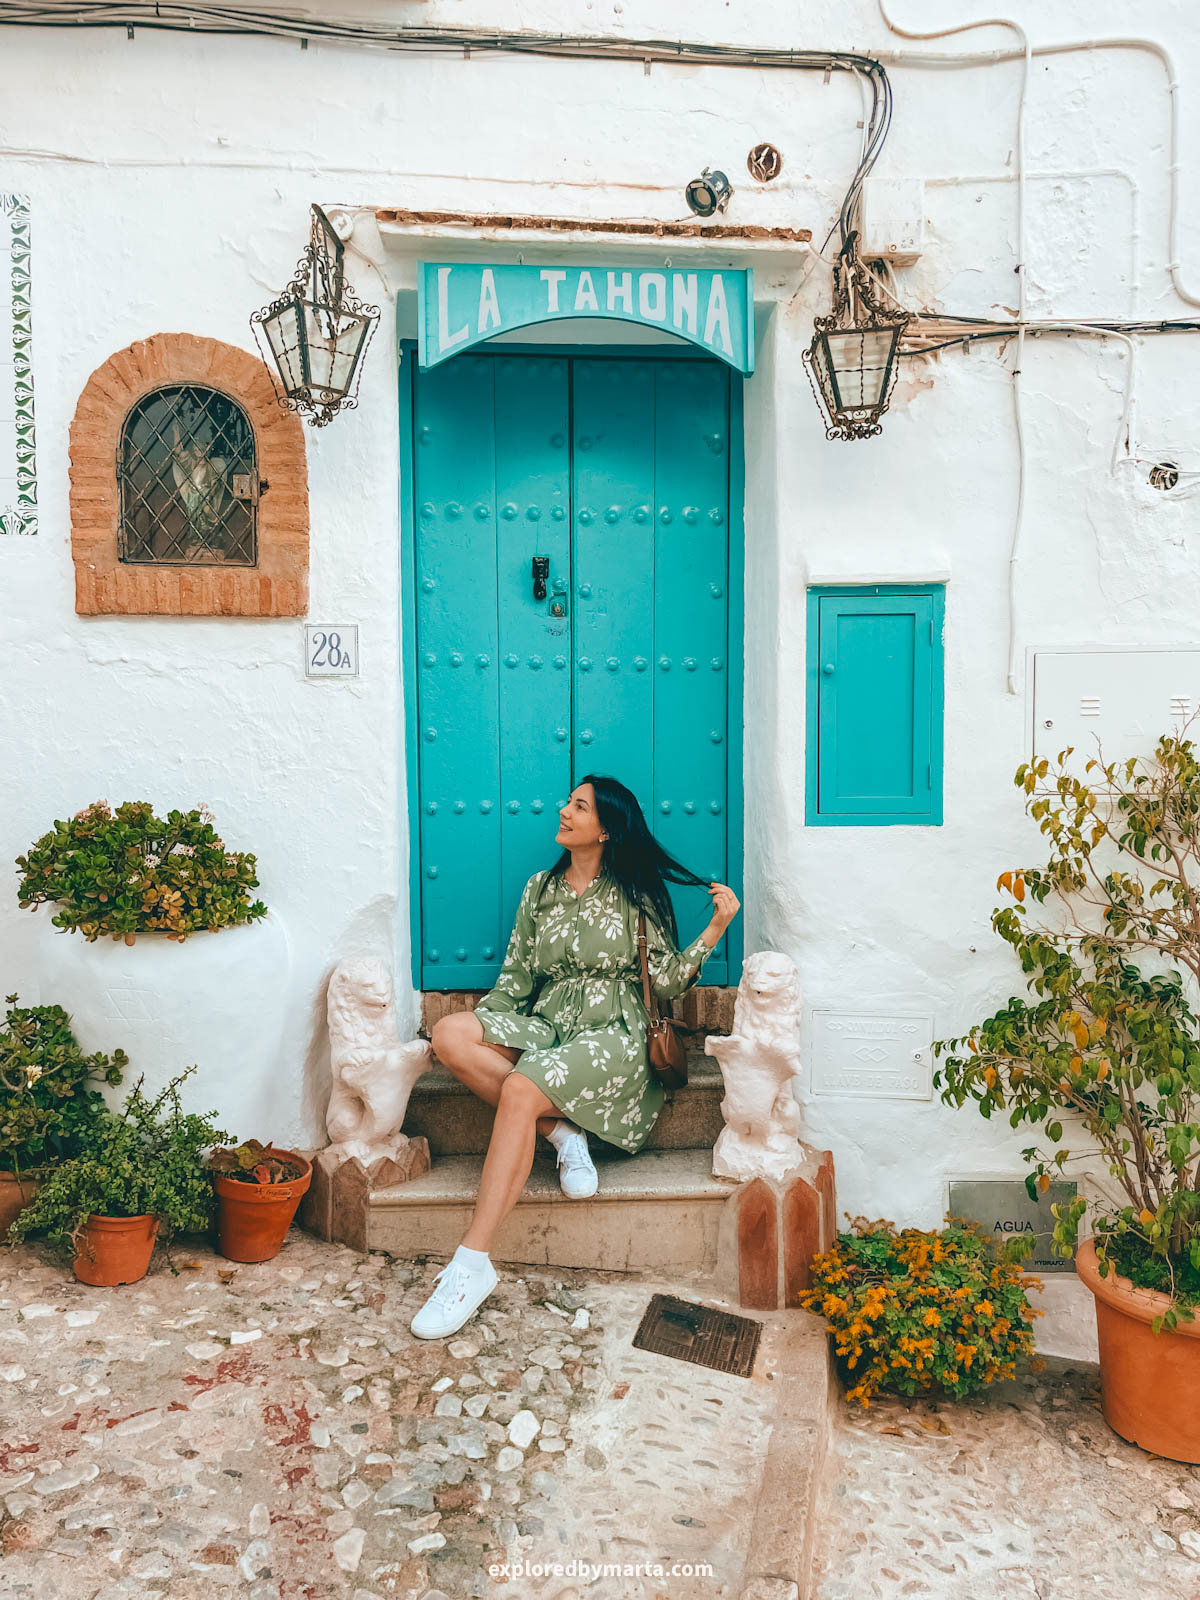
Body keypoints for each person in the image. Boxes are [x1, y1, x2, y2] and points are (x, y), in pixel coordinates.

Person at [409, 773, 741, 1339]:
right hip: (551, 1023)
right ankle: (562, 1132)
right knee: (450, 1035)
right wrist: (493, 1025)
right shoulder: (540, 888)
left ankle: (472, 1264)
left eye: (579, 806)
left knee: (520, 1089)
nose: (564, 811)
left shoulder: (637, 893)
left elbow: (663, 983)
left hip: (615, 1032)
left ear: (606, 828)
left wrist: (715, 927)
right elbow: (516, 979)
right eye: (569, 802)